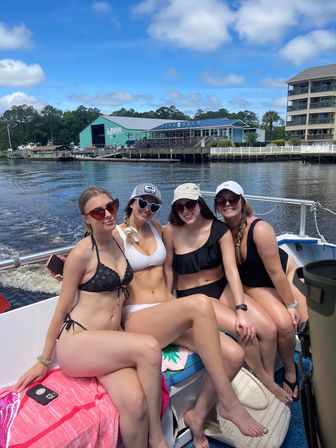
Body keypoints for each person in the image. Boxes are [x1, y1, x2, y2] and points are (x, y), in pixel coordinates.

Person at [114, 183, 268, 448]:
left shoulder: (158, 229)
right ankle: (229, 403)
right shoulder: (115, 235)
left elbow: (170, 269)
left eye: (153, 206)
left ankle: (196, 416)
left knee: (234, 355)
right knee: (199, 303)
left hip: (165, 312)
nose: (147, 210)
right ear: (130, 203)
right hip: (138, 317)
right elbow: (91, 255)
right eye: (142, 203)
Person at [14, 186, 168, 448]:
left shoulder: (120, 241)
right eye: (98, 211)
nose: (108, 214)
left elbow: (151, 234)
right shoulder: (82, 252)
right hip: (79, 343)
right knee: (150, 347)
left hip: (108, 343)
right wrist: (43, 360)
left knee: (136, 403)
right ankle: (157, 437)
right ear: (86, 218)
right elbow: (62, 310)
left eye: (112, 206)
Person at [163, 183, 290, 404]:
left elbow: (231, 271)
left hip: (221, 287)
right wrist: (167, 300)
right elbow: (167, 268)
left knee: (268, 329)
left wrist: (241, 308)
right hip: (195, 296)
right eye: (180, 206)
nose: (185, 210)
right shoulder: (171, 232)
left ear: (200, 203)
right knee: (244, 330)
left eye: (190, 204)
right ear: (175, 209)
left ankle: (265, 378)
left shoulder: (218, 230)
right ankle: (267, 383)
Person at [214, 180, 308, 402]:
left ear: (242, 200)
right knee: (282, 324)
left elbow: (276, 274)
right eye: (222, 200)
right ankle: (277, 374)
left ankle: (290, 370)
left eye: (233, 199)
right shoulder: (221, 231)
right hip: (252, 284)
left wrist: (291, 305)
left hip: (281, 274)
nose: (228, 203)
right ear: (217, 204)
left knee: (292, 321)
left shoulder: (260, 229)